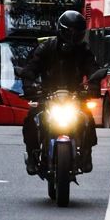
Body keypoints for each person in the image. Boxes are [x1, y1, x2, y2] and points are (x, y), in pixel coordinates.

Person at [18, 10, 102, 175]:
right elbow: (31, 68)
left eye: (77, 34)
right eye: (69, 33)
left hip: (74, 95)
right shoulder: (46, 48)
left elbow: (93, 70)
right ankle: (33, 154)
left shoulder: (83, 51)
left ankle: (86, 153)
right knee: (31, 118)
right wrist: (29, 85)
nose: (72, 37)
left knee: (88, 118)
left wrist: (94, 85)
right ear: (61, 31)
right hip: (47, 94)